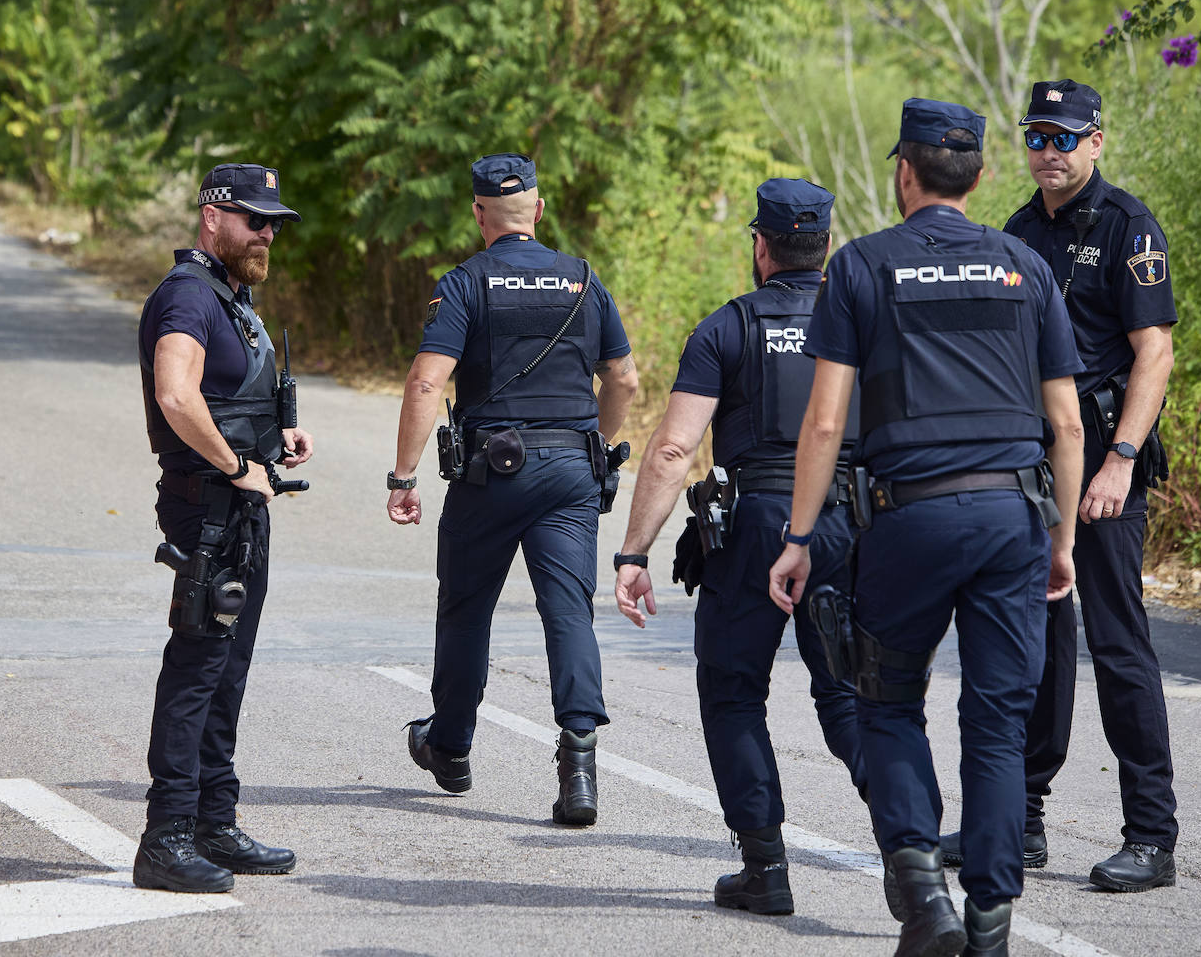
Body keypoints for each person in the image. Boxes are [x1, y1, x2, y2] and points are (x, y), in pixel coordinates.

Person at [768, 99, 1084, 956]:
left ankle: (921, 895)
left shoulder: (862, 268)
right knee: (996, 722)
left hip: (905, 521)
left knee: (888, 699)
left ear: (903, 173)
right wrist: (1060, 540)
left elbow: (826, 426)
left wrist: (798, 540)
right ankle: (989, 927)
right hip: (1013, 518)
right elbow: (1068, 423)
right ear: (980, 177)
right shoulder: (1027, 266)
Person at [939, 79, 1179, 893]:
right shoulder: (1014, 231)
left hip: (1102, 464)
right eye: (1038, 136)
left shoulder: (1127, 228)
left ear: (1097, 142)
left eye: (1065, 138)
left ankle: (1151, 834)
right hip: (1030, 465)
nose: (1049, 151)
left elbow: (1154, 354)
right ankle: (1022, 819)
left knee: (1118, 645)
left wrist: (1120, 459)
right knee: (1031, 640)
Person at [613, 177, 869, 917]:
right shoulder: (863, 325)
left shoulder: (727, 328)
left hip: (755, 522)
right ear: (826, 247)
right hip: (847, 522)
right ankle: (908, 858)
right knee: (854, 696)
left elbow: (670, 452)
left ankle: (766, 868)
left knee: (733, 693)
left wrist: (634, 553)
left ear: (760, 247)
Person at [386, 152, 638, 825]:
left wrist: (404, 476)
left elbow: (424, 383)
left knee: (467, 610)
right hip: (571, 472)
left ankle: (452, 747)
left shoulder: (465, 283)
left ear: (478, 214)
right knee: (569, 612)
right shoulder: (585, 282)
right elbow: (625, 380)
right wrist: (602, 450)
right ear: (539, 209)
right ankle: (579, 769)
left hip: (490, 473)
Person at [133, 163, 312, 892]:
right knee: (197, 669)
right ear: (213, 217)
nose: (267, 232)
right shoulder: (186, 296)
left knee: (227, 671)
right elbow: (176, 393)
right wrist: (238, 464)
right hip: (207, 508)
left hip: (238, 509)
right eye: (254, 219)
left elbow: (224, 394)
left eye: (273, 222)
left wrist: (279, 439)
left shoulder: (231, 296)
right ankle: (166, 835)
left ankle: (214, 820)